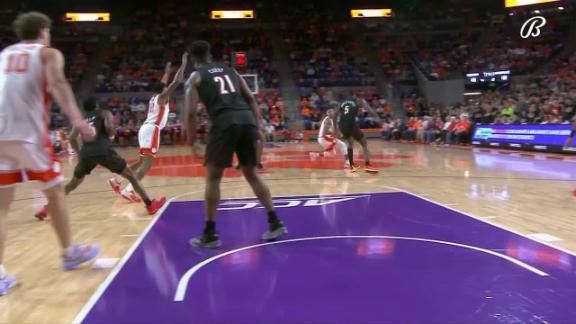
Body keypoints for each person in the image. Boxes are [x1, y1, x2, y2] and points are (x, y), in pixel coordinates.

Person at [0, 12, 99, 295]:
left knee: (1, 207)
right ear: (44, 30)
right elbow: (57, 85)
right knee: (54, 192)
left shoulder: (6, 53)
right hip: (28, 134)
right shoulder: (48, 54)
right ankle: (69, 253)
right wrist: (79, 121)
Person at [184, 40, 287, 248]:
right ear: (210, 54)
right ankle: (275, 221)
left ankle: (210, 234)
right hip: (247, 120)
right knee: (251, 173)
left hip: (224, 123)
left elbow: (191, 113)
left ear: (193, 59)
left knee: (213, 178)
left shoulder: (196, 76)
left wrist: (192, 141)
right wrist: (258, 127)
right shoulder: (231, 70)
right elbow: (250, 98)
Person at [35, 97, 166, 220]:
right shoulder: (104, 113)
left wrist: (79, 153)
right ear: (96, 105)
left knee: (71, 185)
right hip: (103, 150)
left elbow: (72, 137)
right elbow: (110, 130)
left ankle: (46, 209)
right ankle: (150, 205)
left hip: (86, 153)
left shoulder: (80, 119)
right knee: (131, 176)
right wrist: (111, 134)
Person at [108, 55, 188, 202]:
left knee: (140, 161)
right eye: (166, 88)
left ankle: (116, 180)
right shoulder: (162, 97)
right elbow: (177, 81)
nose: (167, 88)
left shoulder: (155, 96)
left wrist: (167, 70)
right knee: (147, 164)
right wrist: (183, 64)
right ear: (164, 90)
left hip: (145, 128)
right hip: (152, 130)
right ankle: (128, 190)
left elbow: (164, 82)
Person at [334, 96, 379, 173]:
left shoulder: (342, 103)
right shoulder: (358, 101)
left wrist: (336, 129)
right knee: (364, 143)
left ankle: (351, 166)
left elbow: (335, 115)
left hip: (342, 125)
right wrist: (376, 116)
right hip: (351, 124)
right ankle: (367, 165)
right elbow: (368, 111)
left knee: (350, 143)